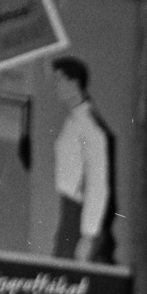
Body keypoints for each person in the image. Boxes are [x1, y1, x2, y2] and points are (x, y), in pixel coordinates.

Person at [49, 56, 117, 263]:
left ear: (74, 83)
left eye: (59, 80)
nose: (55, 86)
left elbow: (98, 184)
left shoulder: (90, 126)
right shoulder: (74, 120)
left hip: (79, 218)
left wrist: (88, 235)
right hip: (68, 212)